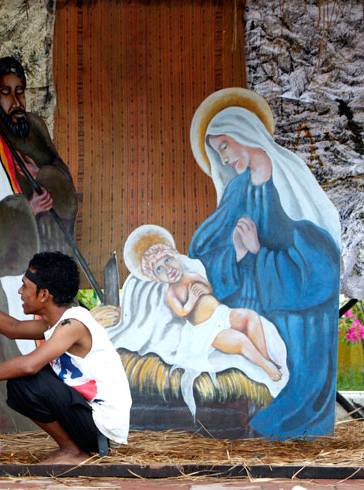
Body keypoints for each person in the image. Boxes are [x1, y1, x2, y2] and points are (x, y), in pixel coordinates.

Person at [188, 88, 341, 438]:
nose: (223, 158)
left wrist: (259, 253)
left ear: (245, 132)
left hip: (299, 315)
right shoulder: (238, 190)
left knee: (283, 412)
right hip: (254, 309)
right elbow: (203, 251)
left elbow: (324, 260)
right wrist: (237, 255)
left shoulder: (292, 179)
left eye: (224, 145)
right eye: (216, 151)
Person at [0, 56, 78, 431]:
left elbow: (65, 186)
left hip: (48, 267)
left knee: (57, 355)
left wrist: (43, 177)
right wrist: (24, 208)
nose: (16, 100)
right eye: (7, 93)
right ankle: (17, 429)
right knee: (16, 354)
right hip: (10, 275)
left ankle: (68, 422)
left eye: (20, 91)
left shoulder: (36, 130)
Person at [0, 252, 131, 464]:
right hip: (89, 422)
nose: (20, 291)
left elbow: (29, 366)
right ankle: (73, 449)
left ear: (44, 294)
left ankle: (73, 451)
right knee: (26, 377)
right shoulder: (58, 322)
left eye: (25, 286)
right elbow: (12, 328)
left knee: (26, 379)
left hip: (101, 429)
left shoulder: (73, 325)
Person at [141, 242, 282, 382]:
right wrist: (191, 300)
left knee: (250, 316)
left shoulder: (190, 276)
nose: (167, 269)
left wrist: (206, 291)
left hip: (221, 314)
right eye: (159, 269)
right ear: (156, 279)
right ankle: (265, 366)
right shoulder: (171, 293)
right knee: (240, 340)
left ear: (175, 257)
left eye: (168, 260)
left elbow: (208, 288)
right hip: (207, 330)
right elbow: (181, 312)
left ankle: (265, 356)